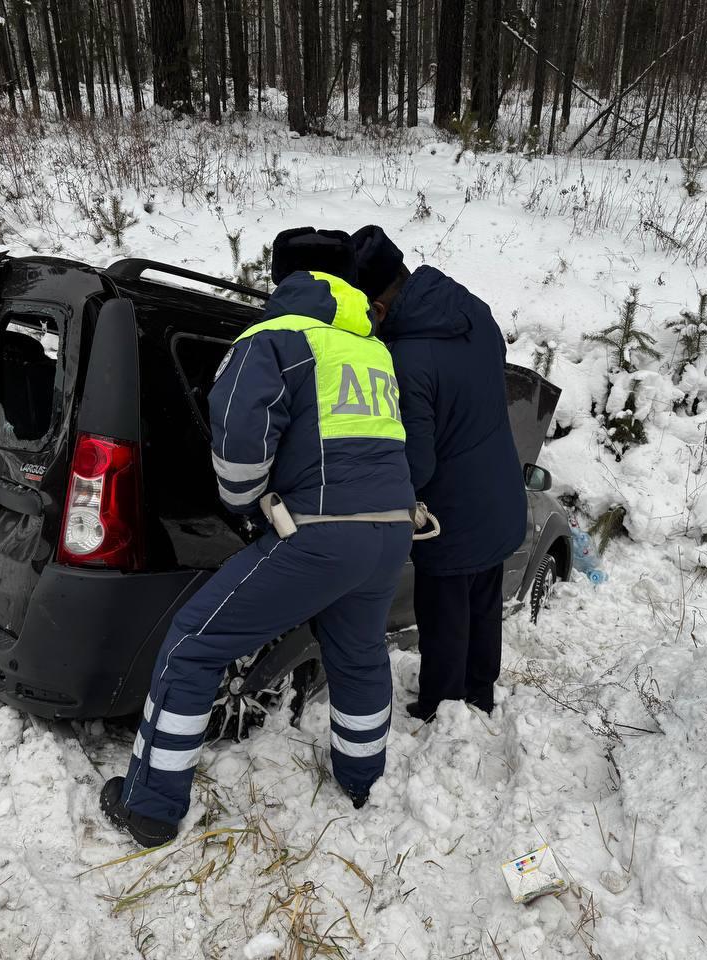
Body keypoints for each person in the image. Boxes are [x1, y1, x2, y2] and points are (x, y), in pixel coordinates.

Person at [100, 227, 416, 847]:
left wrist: (246, 509)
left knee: (193, 643)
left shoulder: (274, 338)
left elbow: (241, 440)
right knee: (357, 655)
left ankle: (150, 806)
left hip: (320, 536)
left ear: (283, 279)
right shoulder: (372, 351)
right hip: (390, 533)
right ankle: (363, 781)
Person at [351, 225, 525, 721]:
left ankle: (441, 710)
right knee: (483, 608)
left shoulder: (405, 360)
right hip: (500, 493)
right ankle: (479, 695)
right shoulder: (471, 309)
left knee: (445, 618)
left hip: (453, 515)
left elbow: (419, 464)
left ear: (377, 309)